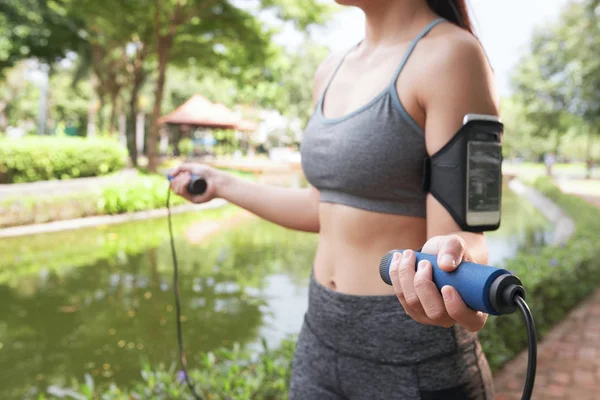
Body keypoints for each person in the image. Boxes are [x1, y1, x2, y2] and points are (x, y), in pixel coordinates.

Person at [170, 0, 499, 398]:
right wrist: (221, 183)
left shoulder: (451, 55)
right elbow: (321, 208)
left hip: (411, 353)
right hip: (320, 337)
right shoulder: (331, 69)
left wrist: (461, 270)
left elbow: (464, 239)